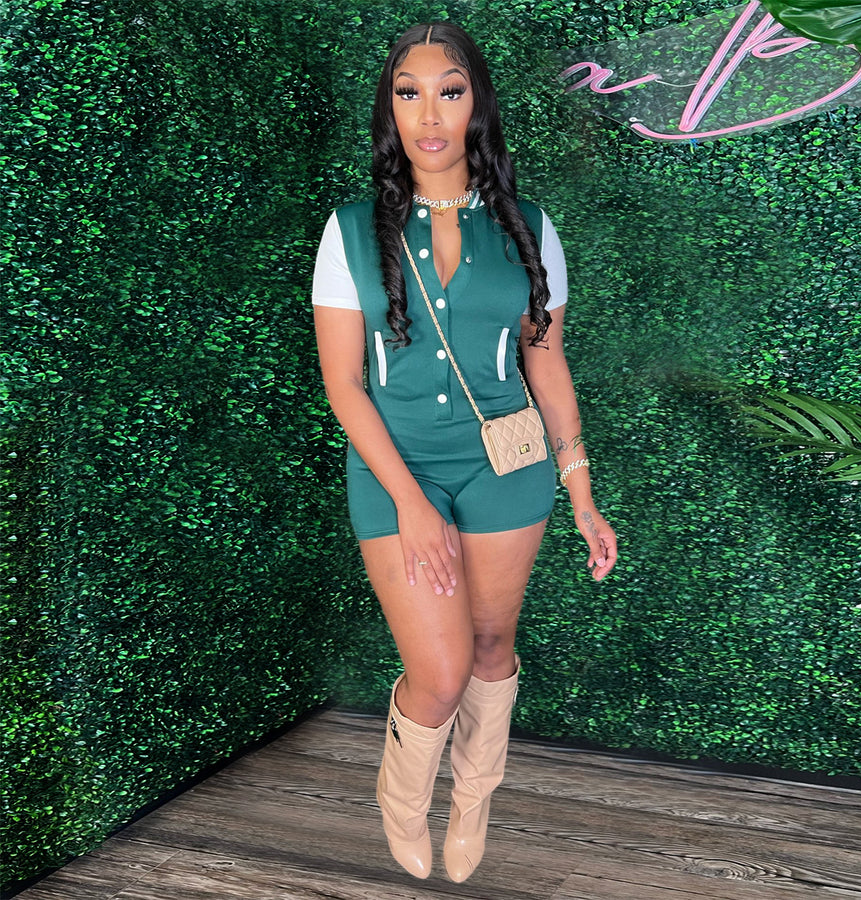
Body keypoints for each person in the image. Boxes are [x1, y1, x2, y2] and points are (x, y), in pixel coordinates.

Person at [312, 22, 617, 883]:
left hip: (507, 468)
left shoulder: (530, 226)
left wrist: (582, 492)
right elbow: (344, 385)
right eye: (409, 93)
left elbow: (546, 364)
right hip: (394, 470)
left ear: (476, 103)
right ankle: (403, 799)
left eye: (450, 91)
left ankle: (474, 798)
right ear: (390, 109)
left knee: (489, 645)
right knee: (440, 672)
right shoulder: (348, 231)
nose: (430, 113)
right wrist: (411, 504)